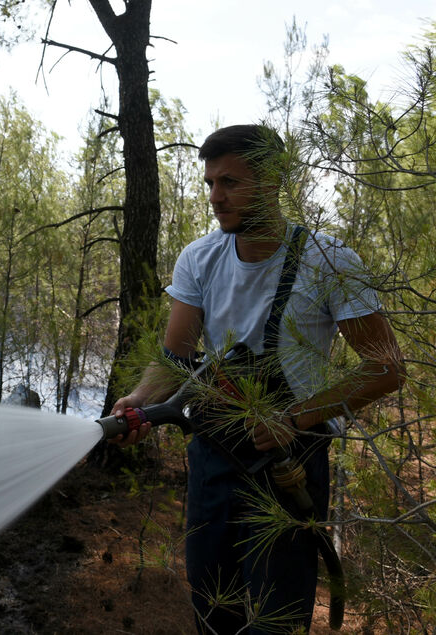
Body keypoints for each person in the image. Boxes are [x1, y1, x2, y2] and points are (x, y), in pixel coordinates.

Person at [109, 124, 404, 634]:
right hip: (211, 463)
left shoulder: (330, 262)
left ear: (272, 182)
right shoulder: (199, 259)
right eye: (210, 184)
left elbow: (386, 368)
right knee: (212, 611)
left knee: (277, 622)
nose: (215, 198)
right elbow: (172, 359)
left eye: (229, 183)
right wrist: (138, 400)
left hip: (291, 469)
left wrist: (297, 416)